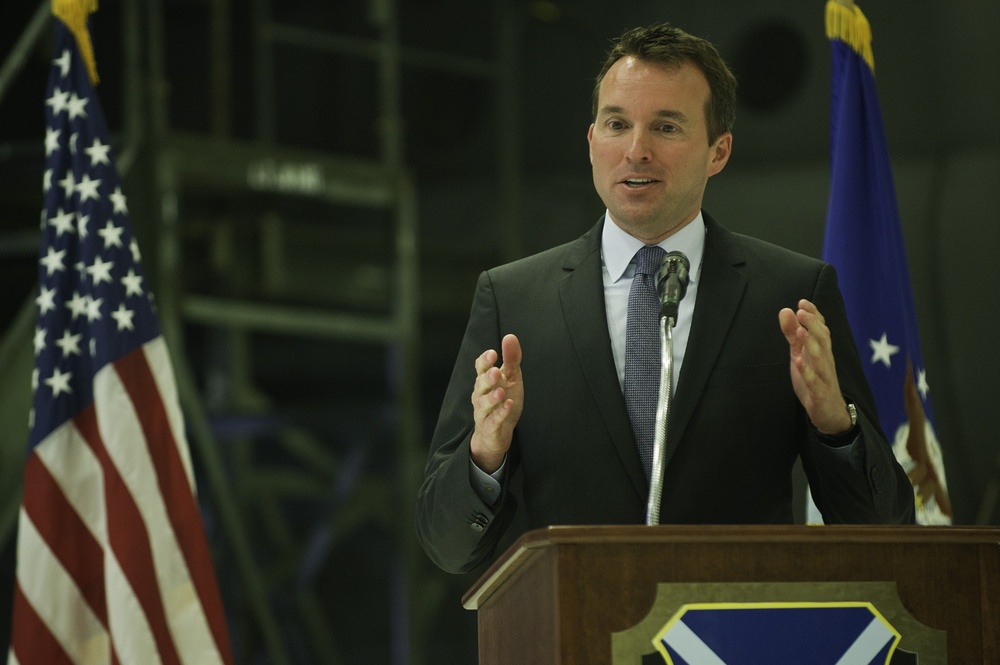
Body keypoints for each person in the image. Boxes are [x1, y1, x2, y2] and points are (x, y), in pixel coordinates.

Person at [416, 22, 915, 575]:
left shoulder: (790, 295)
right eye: (617, 124)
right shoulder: (513, 300)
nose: (636, 150)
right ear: (591, 143)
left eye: (667, 127)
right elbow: (447, 546)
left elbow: (884, 528)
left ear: (717, 151)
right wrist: (485, 455)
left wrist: (834, 425)